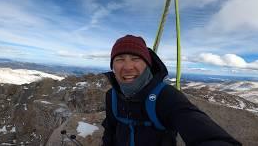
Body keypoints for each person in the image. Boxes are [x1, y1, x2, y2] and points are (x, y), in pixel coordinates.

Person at [102, 35, 241, 146]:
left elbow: (202, 131)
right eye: (119, 59)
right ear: (113, 66)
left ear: (147, 64)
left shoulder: (165, 96)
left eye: (135, 59)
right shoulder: (112, 96)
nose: (127, 67)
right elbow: (110, 131)